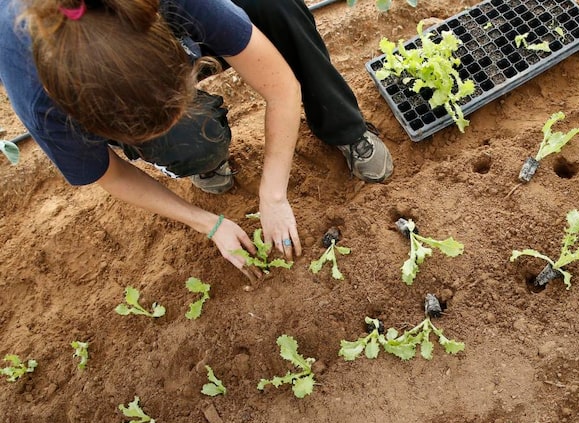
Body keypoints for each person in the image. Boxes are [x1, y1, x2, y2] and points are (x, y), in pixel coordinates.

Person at [0, 0, 394, 281]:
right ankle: (202, 159)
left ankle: (344, 128)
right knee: (189, 140)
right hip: (81, 68)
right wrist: (208, 223)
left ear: (180, 59)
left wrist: (273, 194)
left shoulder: (181, 5)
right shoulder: (41, 100)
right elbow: (109, 174)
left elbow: (280, 87)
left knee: (276, 8)